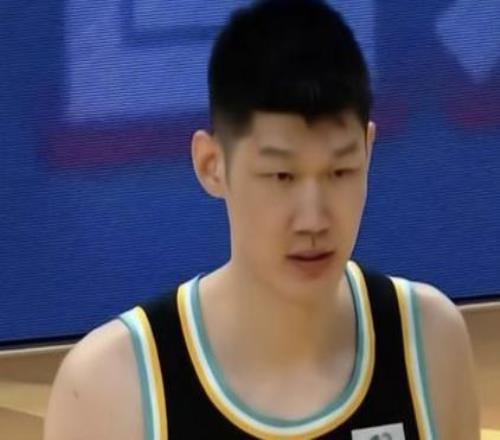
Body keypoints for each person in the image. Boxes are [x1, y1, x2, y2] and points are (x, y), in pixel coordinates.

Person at [44, 1, 480, 439]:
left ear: (368, 150)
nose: (313, 219)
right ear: (212, 165)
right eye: (281, 175)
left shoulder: (428, 341)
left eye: (340, 171)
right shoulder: (110, 386)